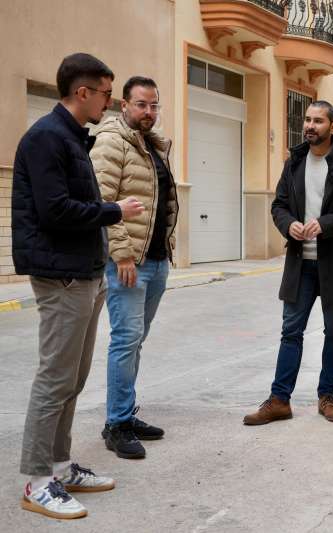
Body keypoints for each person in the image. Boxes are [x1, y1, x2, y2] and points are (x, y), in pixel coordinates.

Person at [12, 53, 144, 519]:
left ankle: (61, 466)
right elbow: (55, 211)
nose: (110, 102)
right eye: (107, 94)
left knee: (73, 380)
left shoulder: (71, 138)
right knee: (54, 381)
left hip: (85, 273)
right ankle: (37, 480)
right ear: (83, 92)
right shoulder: (47, 138)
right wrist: (115, 212)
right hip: (61, 276)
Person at [243, 101, 333, 426]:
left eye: (318, 121)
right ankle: (279, 400)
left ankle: (327, 396)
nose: (310, 125)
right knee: (291, 331)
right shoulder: (295, 162)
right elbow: (279, 204)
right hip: (300, 263)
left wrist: (326, 224)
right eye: (307, 119)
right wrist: (287, 223)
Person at [91, 76, 178, 460]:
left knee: (135, 341)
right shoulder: (112, 141)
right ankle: (116, 424)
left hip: (156, 259)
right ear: (123, 105)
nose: (149, 112)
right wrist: (122, 253)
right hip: (130, 263)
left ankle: (126, 412)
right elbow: (103, 201)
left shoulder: (151, 145)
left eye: (154, 105)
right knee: (126, 341)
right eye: (141, 104)